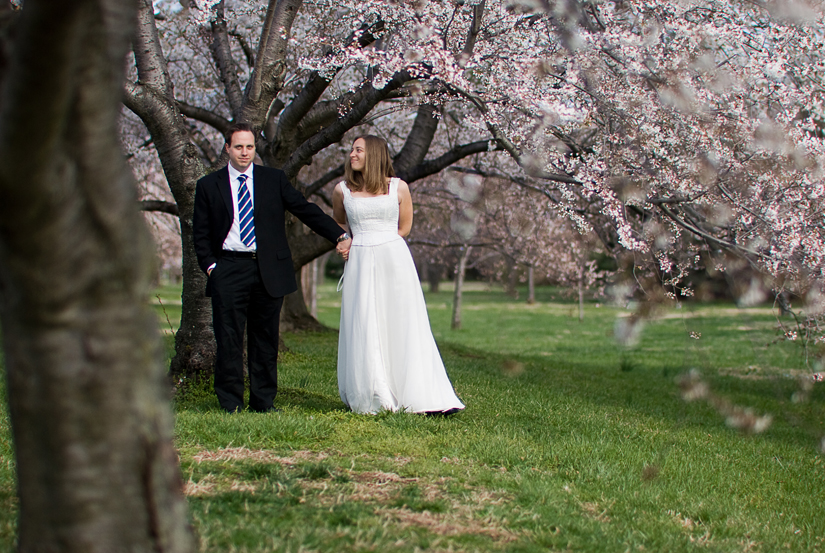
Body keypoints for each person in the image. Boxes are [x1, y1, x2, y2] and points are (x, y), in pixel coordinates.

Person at [194, 122, 352, 413]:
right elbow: (200, 235)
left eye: (250, 147)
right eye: (239, 147)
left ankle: (263, 402)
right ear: (227, 148)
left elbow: (305, 210)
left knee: (265, 339)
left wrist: (339, 235)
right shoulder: (208, 185)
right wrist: (212, 268)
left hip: (268, 269)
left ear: (255, 149)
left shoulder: (273, 179)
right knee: (228, 339)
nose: (245, 152)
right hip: (228, 268)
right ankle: (230, 403)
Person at [332, 135, 465, 415]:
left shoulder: (399, 188)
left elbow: (404, 227)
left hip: (394, 259)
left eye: (359, 150)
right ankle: (373, 393)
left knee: (402, 321)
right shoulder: (342, 190)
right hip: (359, 260)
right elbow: (339, 223)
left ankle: (419, 394)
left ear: (375, 155)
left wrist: (381, 241)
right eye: (352, 150)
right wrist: (347, 239)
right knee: (365, 320)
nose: (352, 154)